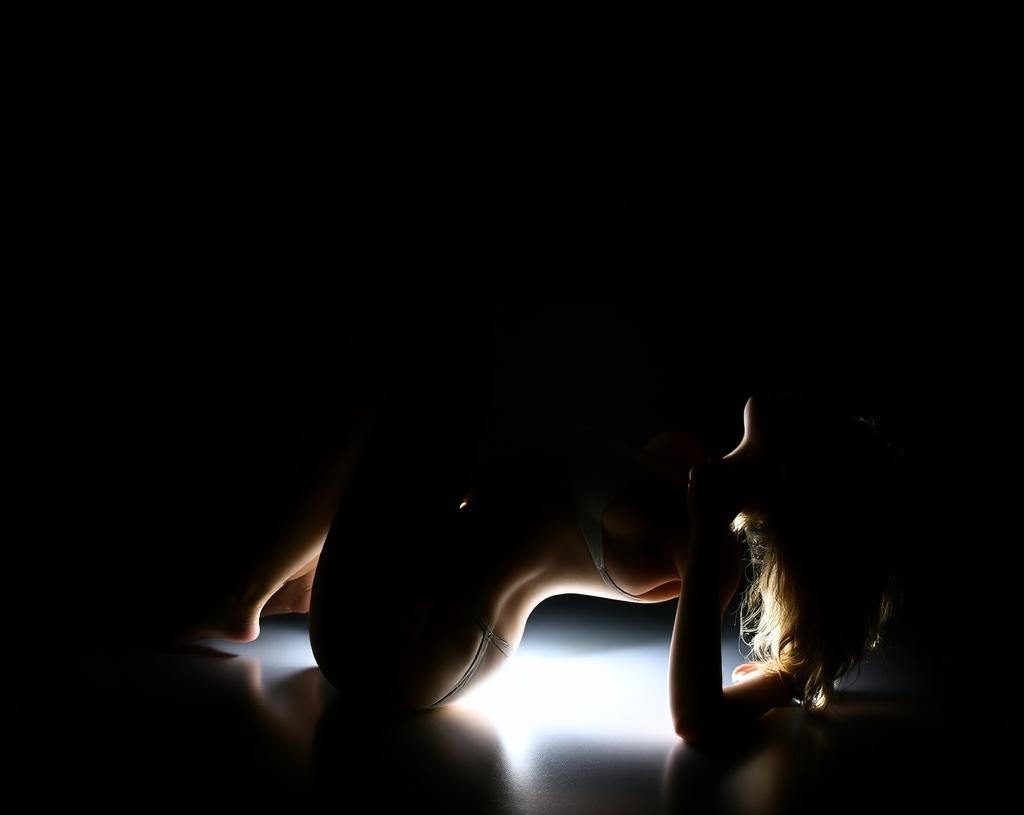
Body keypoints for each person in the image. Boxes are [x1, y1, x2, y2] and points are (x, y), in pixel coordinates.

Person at [182, 306, 903, 746]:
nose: (813, 399)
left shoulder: (705, 538)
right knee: (443, 352)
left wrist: (784, 679)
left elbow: (697, 722)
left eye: (828, 427)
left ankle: (247, 596)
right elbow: (519, 493)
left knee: (453, 341)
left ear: (805, 480)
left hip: (410, 648)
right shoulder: (683, 460)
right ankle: (275, 588)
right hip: (413, 593)